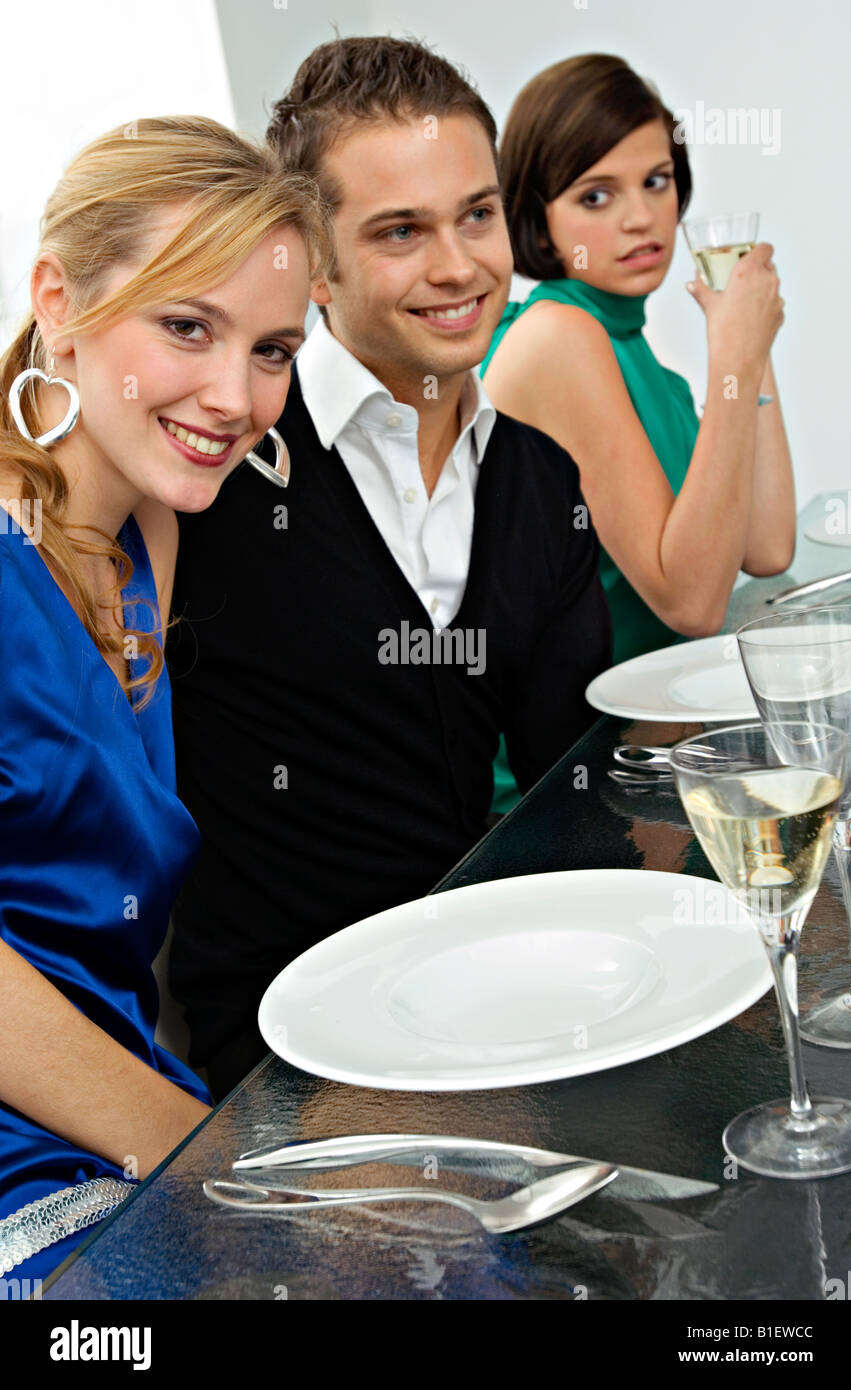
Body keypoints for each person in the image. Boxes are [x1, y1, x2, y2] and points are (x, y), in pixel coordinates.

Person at [168, 37, 612, 1100]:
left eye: (475, 214)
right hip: (289, 1054)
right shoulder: (212, 463)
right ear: (313, 267)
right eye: (400, 231)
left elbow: (570, 784)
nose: (458, 266)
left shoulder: (538, 479)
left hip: (493, 1000)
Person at [0, 114, 324, 1280]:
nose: (235, 396)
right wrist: (209, 1166)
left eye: (272, 349)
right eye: (187, 327)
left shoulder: (146, 528)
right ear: (59, 301)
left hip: (123, 1115)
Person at [481, 54, 795, 812]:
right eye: (596, 195)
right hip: (565, 785)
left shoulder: (649, 367)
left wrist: (748, 341)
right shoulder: (556, 337)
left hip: (654, 746)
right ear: (538, 218)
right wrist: (734, 354)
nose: (639, 217)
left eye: (656, 181)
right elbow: (691, 601)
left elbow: (766, 547)